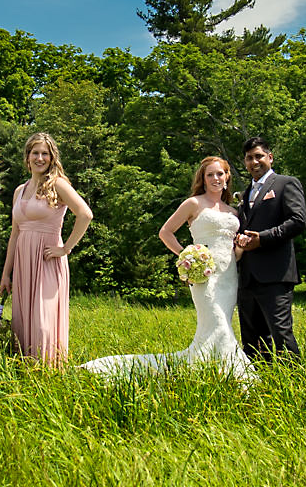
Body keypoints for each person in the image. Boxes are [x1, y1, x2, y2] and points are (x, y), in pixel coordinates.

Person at [80, 157, 253, 383]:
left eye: (220, 174)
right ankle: (239, 376)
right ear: (203, 178)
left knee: (221, 325)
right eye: (210, 175)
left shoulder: (233, 210)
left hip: (229, 277)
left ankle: (214, 372)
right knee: (217, 322)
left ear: (227, 176)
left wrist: (240, 250)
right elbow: (166, 232)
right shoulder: (193, 203)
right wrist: (187, 256)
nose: (215, 179)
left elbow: (232, 246)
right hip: (204, 277)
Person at [0, 132, 93, 366]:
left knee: (43, 322)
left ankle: (49, 372)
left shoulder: (57, 184)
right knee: (22, 320)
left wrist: (66, 248)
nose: (40, 158)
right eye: (35, 153)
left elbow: (85, 214)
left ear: (52, 158)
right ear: (27, 157)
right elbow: (15, 232)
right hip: (23, 262)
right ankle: (24, 371)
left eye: (45, 154)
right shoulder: (19, 190)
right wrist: (5, 273)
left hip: (47, 260)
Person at [233, 136, 306, 363]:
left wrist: (262, 239)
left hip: (275, 274)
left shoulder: (286, 183)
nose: (254, 162)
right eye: (249, 158)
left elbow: (298, 220)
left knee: (281, 334)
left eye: (259, 156)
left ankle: (294, 383)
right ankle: (259, 382)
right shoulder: (245, 194)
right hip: (247, 277)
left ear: (270, 157)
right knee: (252, 339)